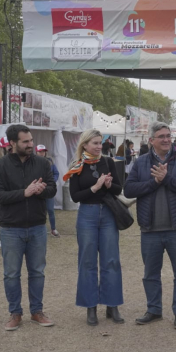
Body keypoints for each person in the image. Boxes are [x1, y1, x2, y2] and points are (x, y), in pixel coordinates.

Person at [124, 121, 176, 330]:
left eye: (168, 136)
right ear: (151, 140)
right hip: (150, 230)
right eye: (162, 137)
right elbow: (129, 190)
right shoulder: (140, 163)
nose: (166, 140)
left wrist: (166, 179)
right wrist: (153, 183)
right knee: (150, 274)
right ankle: (154, 310)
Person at [0, 124, 57, 331]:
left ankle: (37, 311)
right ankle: (15, 313)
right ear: (12, 143)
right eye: (25, 141)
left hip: (37, 227)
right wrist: (24, 193)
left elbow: (53, 189)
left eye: (31, 140)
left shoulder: (43, 163)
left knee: (37, 272)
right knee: (11, 274)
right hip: (11, 229)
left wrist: (41, 190)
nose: (31, 145)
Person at [64, 129, 125, 326]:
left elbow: (118, 189)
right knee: (87, 261)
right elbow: (75, 196)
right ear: (85, 145)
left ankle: (112, 305)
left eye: (100, 143)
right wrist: (95, 187)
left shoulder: (108, 162)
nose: (99, 147)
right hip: (87, 215)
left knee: (111, 260)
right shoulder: (77, 165)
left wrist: (107, 185)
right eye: (95, 143)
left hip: (108, 213)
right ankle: (90, 307)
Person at [36, 145, 60, 237]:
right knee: (39, 210)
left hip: (49, 189)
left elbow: (56, 173)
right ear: (36, 152)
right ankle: (40, 229)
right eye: (40, 151)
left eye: (43, 151)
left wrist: (52, 181)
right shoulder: (32, 162)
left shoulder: (50, 162)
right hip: (38, 190)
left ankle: (53, 229)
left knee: (50, 210)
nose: (42, 153)